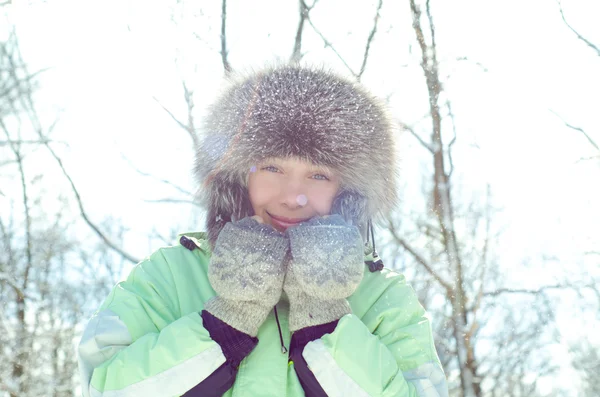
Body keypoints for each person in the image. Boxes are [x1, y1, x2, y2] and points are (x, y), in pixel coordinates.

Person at [77, 64, 448, 397]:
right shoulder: (171, 275)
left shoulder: (384, 297)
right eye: (272, 168)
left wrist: (326, 320)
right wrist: (227, 320)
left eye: (318, 175)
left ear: (347, 191)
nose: (293, 196)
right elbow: (106, 386)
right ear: (238, 177)